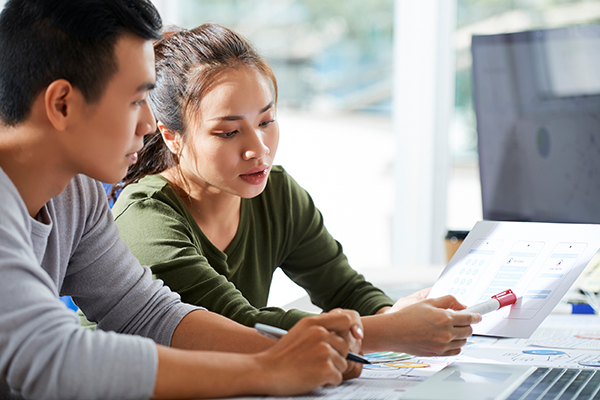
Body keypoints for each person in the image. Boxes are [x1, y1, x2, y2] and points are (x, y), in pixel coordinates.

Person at [0, 1, 364, 399]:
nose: (148, 125)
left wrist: (286, 356)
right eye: (136, 100)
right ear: (62, 104)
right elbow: (51, 355)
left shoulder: (78, 193)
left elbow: (145, 312)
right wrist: (265, 369)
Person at [108, 22, 481, 357]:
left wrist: (393, 315)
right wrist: (387, 332)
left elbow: (345, 289)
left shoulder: (276, 192)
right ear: (171, 136)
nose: (259, 148)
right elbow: (237, 327)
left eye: (267, 120)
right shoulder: (145, 218)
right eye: (228, 132)